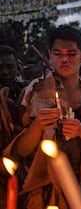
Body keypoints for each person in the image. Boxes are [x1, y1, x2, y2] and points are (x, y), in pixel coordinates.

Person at [4, 25, 81, 209]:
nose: (64, 59)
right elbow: (21, 151)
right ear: (50, 55)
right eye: (58, 53)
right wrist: (38, 125)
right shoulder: (33, 93)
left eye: (71, 54)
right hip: (47, 190)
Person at [0, 45, 24, 209]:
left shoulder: (27, 95)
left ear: (18, 67)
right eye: (0, 68)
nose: (5, 73)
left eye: (10, 67)